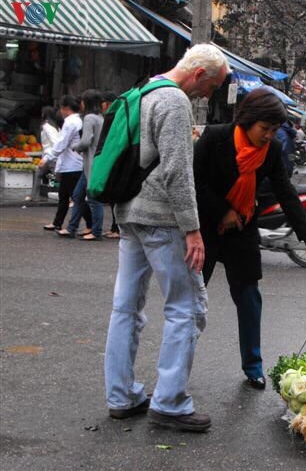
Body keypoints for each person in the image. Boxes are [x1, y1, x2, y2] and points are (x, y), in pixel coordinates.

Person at [104, 44, 231, 432]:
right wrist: (193, 230)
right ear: (197, 75)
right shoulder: (175, 102)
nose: (209, 95)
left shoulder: (142, 91)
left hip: (129, 213)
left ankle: (121, 396)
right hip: (161, 218)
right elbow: (178, 172)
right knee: (186, 309)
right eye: (212, 86)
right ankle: (170, 402)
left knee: (126, 307)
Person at [193, 87, 306, 390]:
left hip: (243, 229)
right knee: (192, 300)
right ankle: (177, 365)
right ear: (247, 121)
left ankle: (253, 366)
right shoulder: (215, 139)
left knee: (249, 298)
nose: (269, 135)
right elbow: (194, 182)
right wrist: (223, 211)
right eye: (264, 129)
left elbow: (286, 193)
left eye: (275, 130)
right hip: (207, 229)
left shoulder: (272, 151)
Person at [56, 89, 105, 240]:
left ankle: (96, 232)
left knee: (93, 199)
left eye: (83, 101)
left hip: (91, 163)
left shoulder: (90, 118)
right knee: (77, 195)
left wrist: (75, 147)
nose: (81, 104)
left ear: (88, 102)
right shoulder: (100, 117)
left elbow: (85, 141)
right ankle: (71, 228)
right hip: (91, 163)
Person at [42, 95, 86, 231]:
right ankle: (57, 222)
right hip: (72, 164)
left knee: (75, 197)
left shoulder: (71, 122)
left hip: (72, 164)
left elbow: (61, 144)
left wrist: (47, 157)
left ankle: (90, 224)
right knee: (64, 196)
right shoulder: (78, 120)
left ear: (65, 108)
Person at [27, 106, 61, 201]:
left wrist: (52, 154)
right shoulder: (56, 126)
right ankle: (33, 196)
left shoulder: (47, 126)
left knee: (59, 177)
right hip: (49, 156)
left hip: (50, 156)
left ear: (44, 114)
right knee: (38, 173)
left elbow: (54, 141)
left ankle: (71, 197)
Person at [100, 91, 121, 239]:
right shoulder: (115, 116)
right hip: (114, 160)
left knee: (115, 198)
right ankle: (115, 227)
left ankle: (117, 228)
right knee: (113, 199)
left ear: (107, 104)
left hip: (115, 161)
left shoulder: (114, 117)